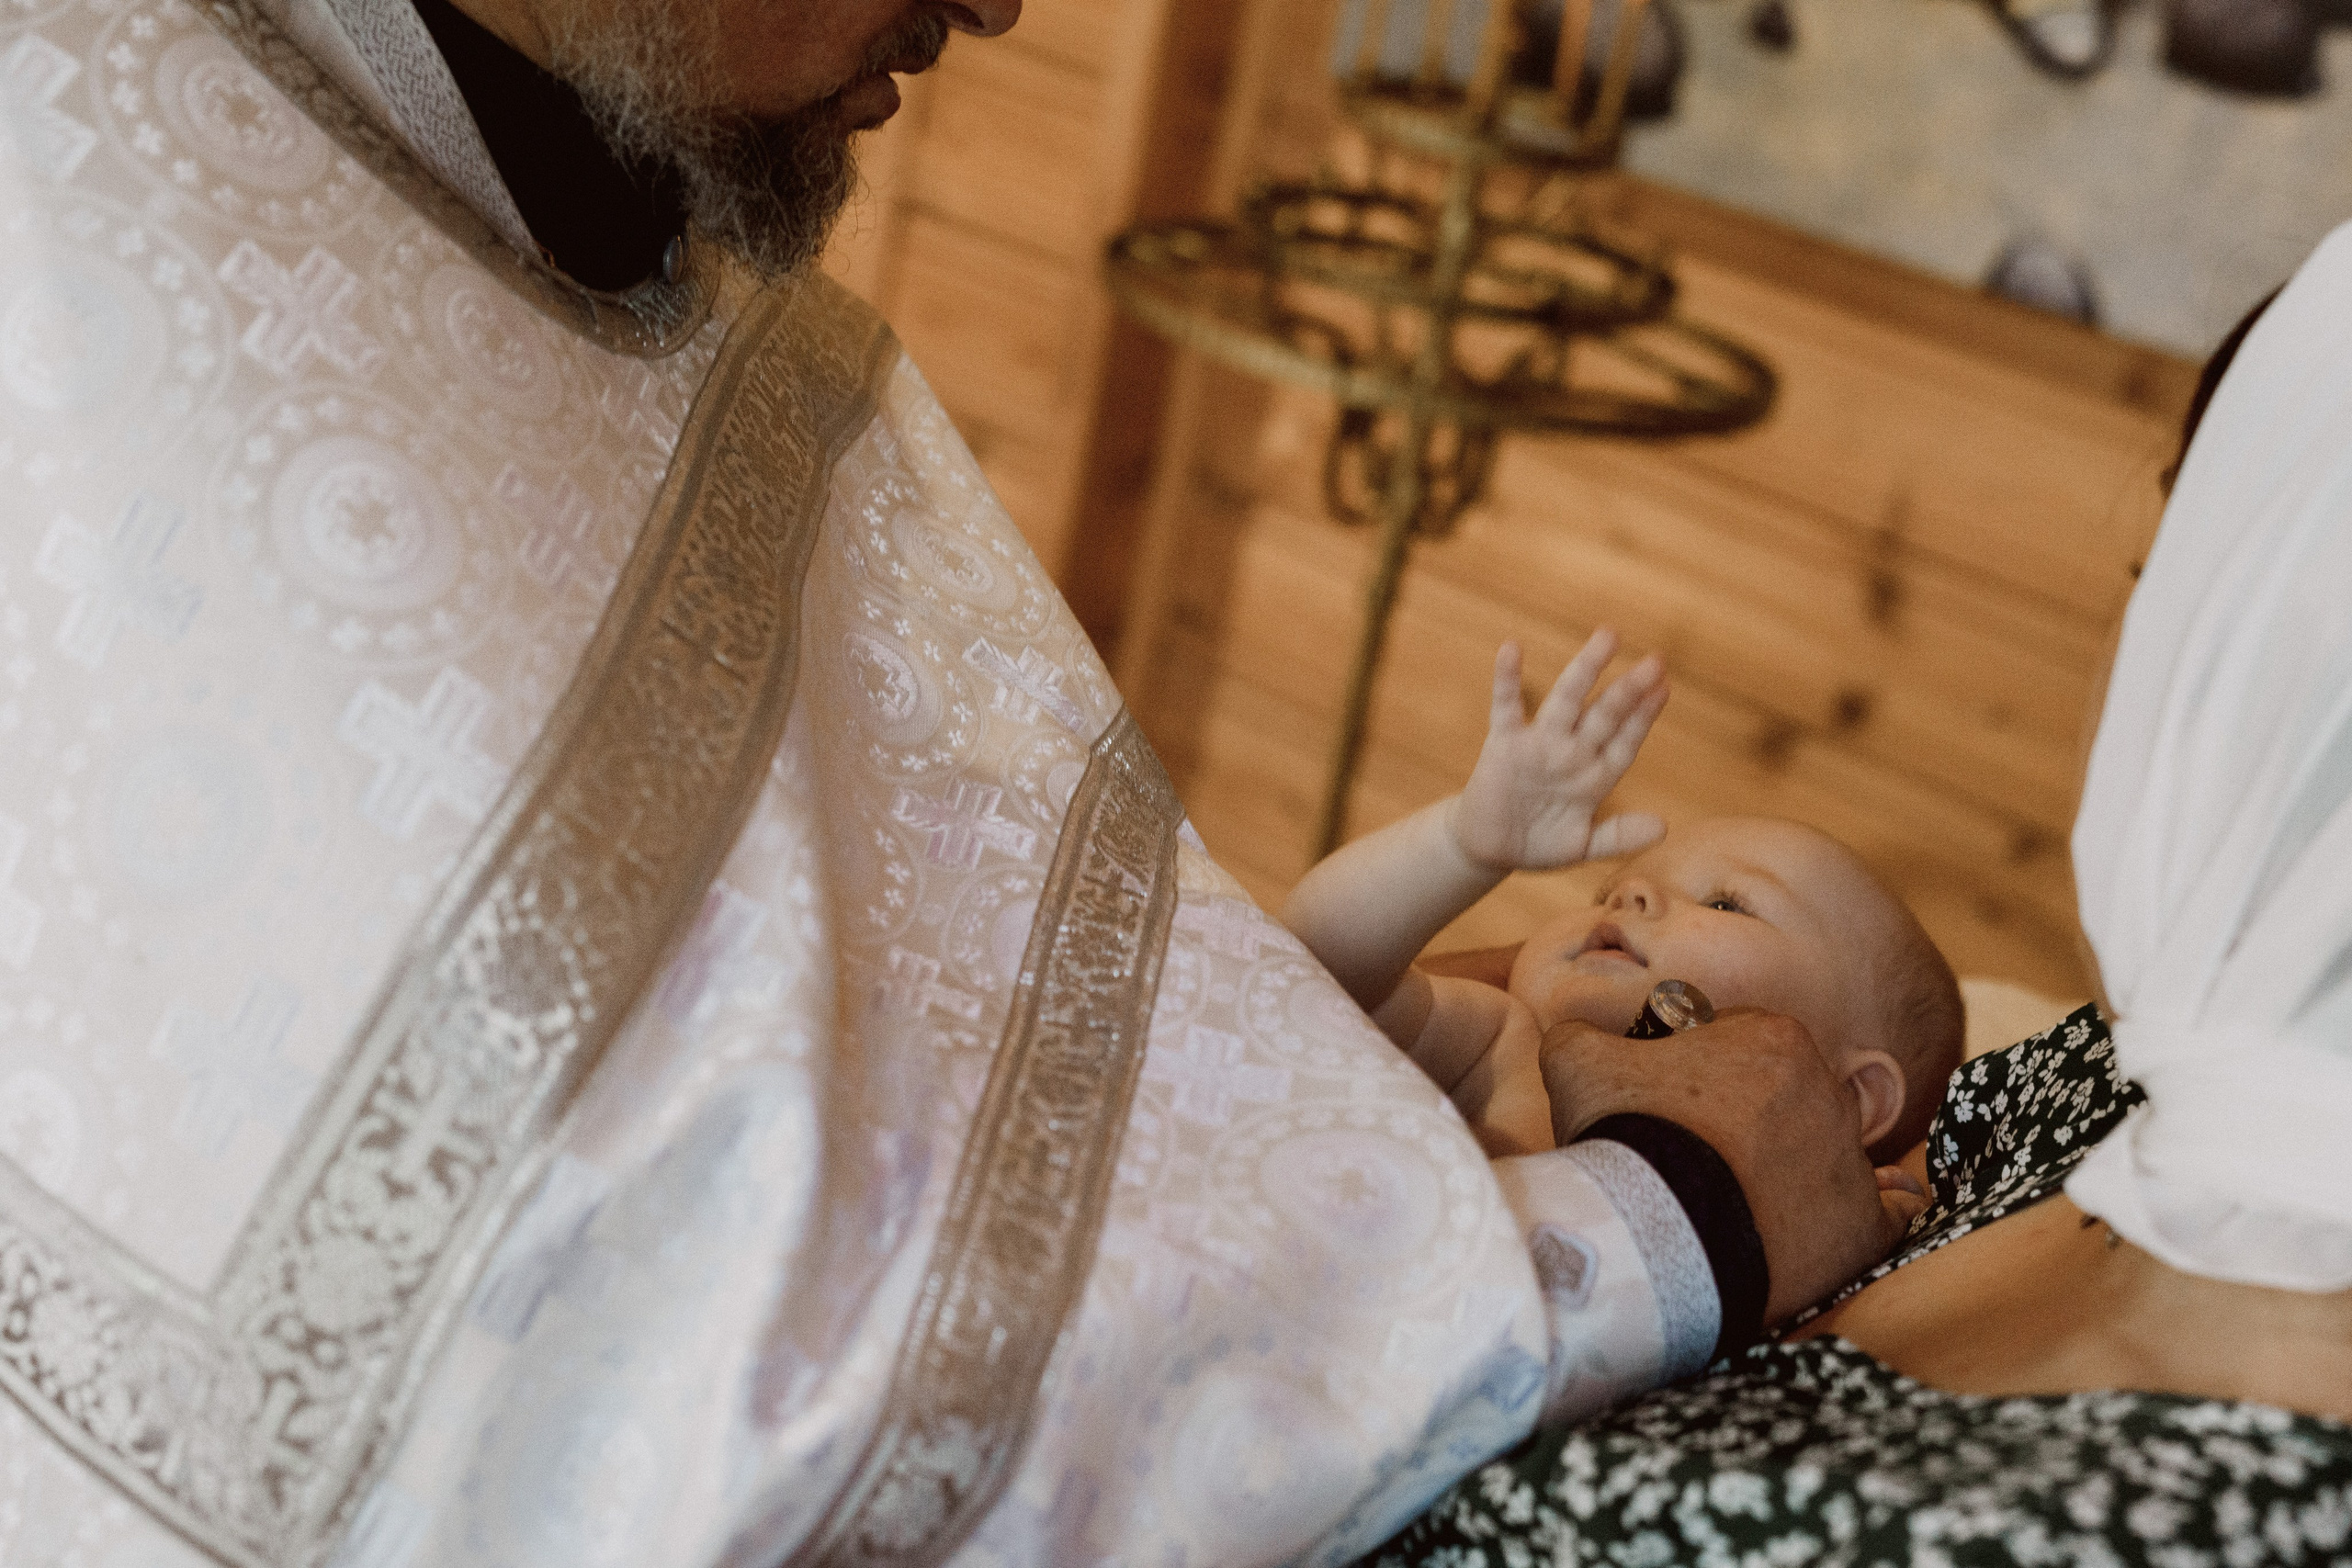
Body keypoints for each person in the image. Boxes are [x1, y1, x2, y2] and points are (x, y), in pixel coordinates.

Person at [0, 1, 1913, 1565]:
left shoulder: (627, 222)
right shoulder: (82, 221)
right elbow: (623, 1418)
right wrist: (1665, 1217)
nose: (1003, 7)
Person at [1363, 229, 2352, 1566]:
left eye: (2166, 593)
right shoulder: (2132, 1075)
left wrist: (1683, 1190)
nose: (2124, 668)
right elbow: (1364, 996)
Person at [1283, 632, 1963, 1170]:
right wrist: (1462, 848)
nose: (1633, 892)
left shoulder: (1821, 1229)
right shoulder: (1502, 1049)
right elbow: (1304, 970)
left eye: (1726, 904)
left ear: (1849, 1098)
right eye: (1607, 891)